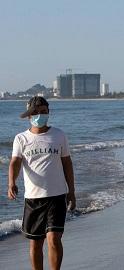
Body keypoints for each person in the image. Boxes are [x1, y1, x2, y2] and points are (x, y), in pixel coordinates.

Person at [8, 96, 76, 270]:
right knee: (36, 244)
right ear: (29, 115)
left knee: (54, 239)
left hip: (57, 196)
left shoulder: (59, 135)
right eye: (36, 112)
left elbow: (67, 164)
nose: (40, 115)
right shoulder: (21, 139)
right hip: (33, 198)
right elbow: (15, 162)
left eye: (43, 112)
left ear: (49, 112)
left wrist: (71, 192)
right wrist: (11, 183)